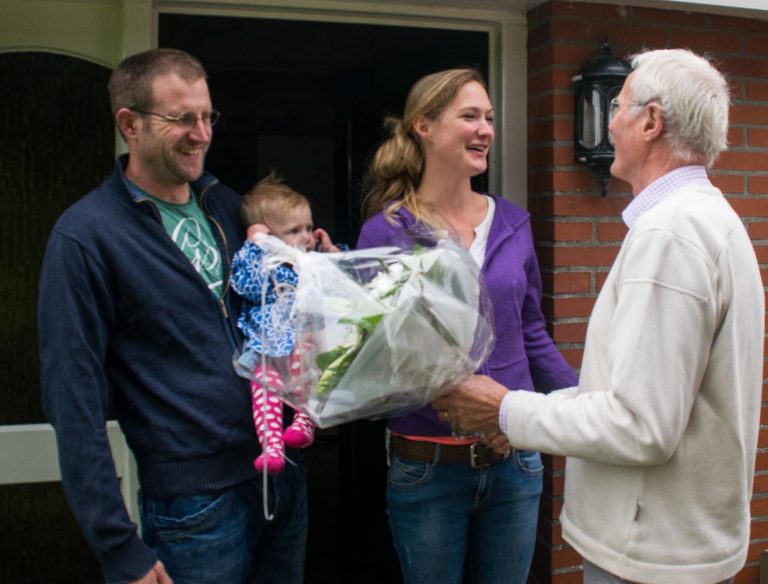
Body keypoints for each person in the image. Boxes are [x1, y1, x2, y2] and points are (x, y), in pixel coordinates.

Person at [434, 49, 764, 584]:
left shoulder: (671, 235)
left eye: (619, 105)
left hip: (649, 552)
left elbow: (641, 427)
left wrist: (506, 412)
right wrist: (526, 413)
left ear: (652, 122)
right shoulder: (710, 218)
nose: (608, 122)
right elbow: (636, 400)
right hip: (671, 541)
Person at [38, 48, 307, 584]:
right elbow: (74, 396)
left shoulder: (226, 204)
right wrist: (118, 546)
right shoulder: (87, 236)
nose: (201, 132)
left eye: (207, 117)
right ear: (129, 124)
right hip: (194, 508)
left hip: (280, 478)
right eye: (182, 118)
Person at [356, 68, 578, 584]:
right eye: (470, 117)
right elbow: (373, 352)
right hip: (426, 466)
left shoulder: (514, 224)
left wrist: (582, 401)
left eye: (490, 119)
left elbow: (532, 334)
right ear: (424, 126)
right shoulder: (388, 231)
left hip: (514, 463)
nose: (485, 130)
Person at [231, 173, 341, 474]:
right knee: (263, 387)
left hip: (306, 344)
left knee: (315, 372)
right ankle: (272, 448)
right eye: (294, 231)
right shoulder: (264, 264)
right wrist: (256, 247)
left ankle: (305, 422)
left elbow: (342, 282)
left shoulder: (313, 261)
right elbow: (247, 286)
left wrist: (332, 252)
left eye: (308, 227)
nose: (306, 237)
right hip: (269, 346)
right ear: (269, 236)